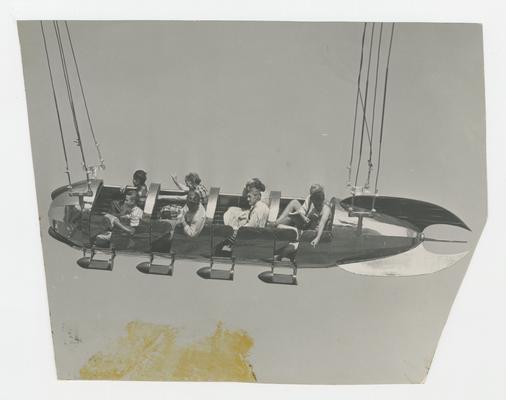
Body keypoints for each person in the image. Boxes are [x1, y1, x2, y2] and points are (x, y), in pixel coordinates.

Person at [272, 183, 331, 248]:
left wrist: (317, 238)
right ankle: (275, 223)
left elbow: (322, 224)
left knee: (283, 225)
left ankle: (290, 231)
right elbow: (303, 210)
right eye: (311, 194)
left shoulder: (326, 207)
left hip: (311, 228)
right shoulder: (311, 198)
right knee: (291, 210)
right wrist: (303, 216)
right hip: (305, 221)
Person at [218, 187, 270, 254]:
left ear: (257, 196)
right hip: (257, 235)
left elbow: (249, 228)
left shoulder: (258, 210)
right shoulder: (262, 206)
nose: (248, 199)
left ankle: (227, 249)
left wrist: (235, 228)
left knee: (227, 232)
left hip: (253, 237)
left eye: (249, 197)